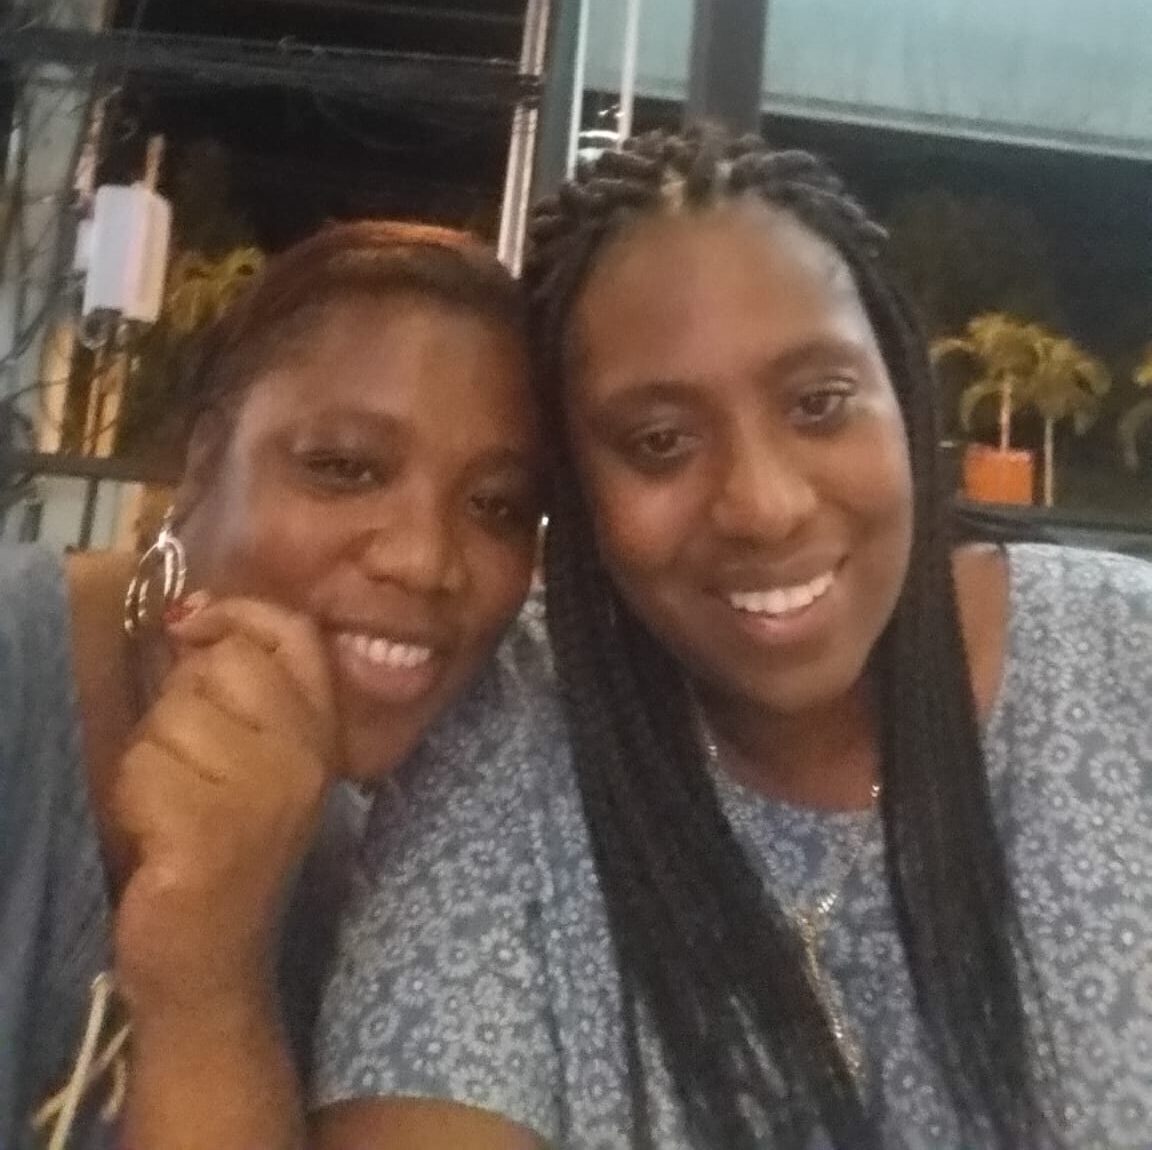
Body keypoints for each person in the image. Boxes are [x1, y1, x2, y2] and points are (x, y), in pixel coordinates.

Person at [311, 130, 1152, 1149]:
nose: (763, 504)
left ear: (904, 397)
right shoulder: (504, 751)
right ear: (574, 494)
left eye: (820, 404)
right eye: (659, 442)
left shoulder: (1125, 658)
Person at [0, 219, 544, 1150]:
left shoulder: (400, 871)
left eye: (496, 506)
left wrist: (213, 975)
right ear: (204, 461)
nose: (425, 561)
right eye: (345, 468)